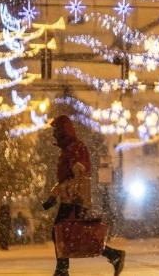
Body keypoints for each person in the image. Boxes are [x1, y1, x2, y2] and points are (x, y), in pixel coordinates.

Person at [43, 115, 125, 276]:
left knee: (64, 232)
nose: (54, 135)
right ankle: (112, 255)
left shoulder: (75, 148)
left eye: (56, 131)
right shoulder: (69, 149)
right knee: (69, 232)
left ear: (63, 131)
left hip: (75, 199)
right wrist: (54, 195)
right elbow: (68, 179)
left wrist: (72, 198)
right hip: (72, 198)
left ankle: (63, 270)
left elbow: (79, 177)